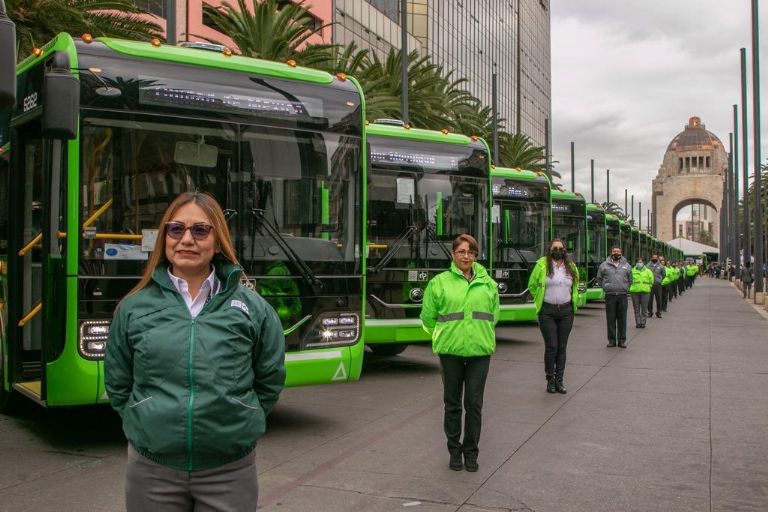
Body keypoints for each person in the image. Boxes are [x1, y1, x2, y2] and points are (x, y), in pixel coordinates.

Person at [105, 192, 286, 511]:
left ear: (218, 241)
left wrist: (242, 413)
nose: (186, 239)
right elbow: (118, 383)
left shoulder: (253, 309)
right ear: (164, 238)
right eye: (176, 229)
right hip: (152, 471)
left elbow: (269, 379)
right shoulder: (134, 308)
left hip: (229, 472)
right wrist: (143, 415)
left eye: (200, 230)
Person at [421, 234, 500, 473]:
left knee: (474, 404)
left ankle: (471, 452)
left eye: (471, 252)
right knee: (452, 404)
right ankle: (454, 451)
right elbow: (428, 317)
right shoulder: (439, 283)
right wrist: (441, 336)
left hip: (479, 352)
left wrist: (480, 334)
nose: (466, 256)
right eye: (462, 252)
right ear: (452, 255)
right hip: (450, 352)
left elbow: (494, 315)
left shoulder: (488, 284)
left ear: (476, 255)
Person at [528, 239, 580, 394]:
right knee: (552, 347)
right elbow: (532, 285)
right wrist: (539, 298)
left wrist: (572, 305)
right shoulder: (541, 265)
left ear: (565, 250)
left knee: (562, 347)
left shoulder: (571, 267)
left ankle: (560, 380)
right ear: (549, 250)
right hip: (547, 312)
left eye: (561, 248)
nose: (558, 250)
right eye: (554, 248)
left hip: (566, 312)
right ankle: (550, 379)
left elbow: (576, 287)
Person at [596, 245, 633, 348]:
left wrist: (626, 288)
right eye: (614, 251)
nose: (616, 253)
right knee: (610, 319)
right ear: (611, 252)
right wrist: (605, 287)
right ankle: (612, 340)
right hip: (610, 296)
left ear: (621, 253)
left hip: (622, 295)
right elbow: (599, 278)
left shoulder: (627, 265)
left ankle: (622, 340)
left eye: (618, 251)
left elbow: (631, 279)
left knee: (622, 319)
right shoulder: (604, 265)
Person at [630, 257, 654, 328]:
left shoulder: (648, 271)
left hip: (645, 292)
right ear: (636, 263)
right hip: (634, 292)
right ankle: (638, 323)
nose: (639, 263)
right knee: (636, 309)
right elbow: (628, 280)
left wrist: (648, 287)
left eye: (641, 262)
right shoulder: (632, 271)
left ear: (643, 263)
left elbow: (651, 281)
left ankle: (643, 323)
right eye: (638, 262)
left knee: (644, 308)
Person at [647, 253, 665, 318]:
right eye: (653, 257)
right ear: (651, 258)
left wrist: (659, 280)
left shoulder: (661, 266)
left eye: (655, 257)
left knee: (659, 299)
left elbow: (663, 274)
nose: (654, 258)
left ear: (657, 258)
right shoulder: (647, 266)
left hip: (658, 285)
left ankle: (658, 312)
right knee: (649, 300)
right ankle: (650, 312)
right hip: (650, 285)